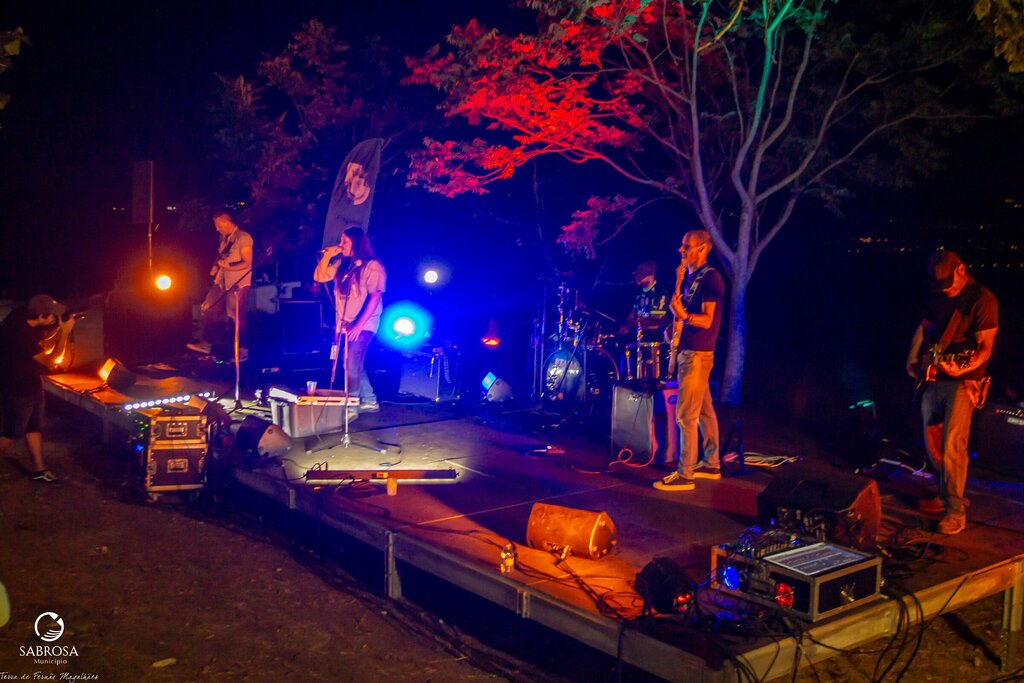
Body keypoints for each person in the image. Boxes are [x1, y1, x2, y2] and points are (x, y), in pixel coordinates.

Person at [905, 249, 998, 535]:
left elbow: (985, 348)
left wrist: (963, 368)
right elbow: (924, 327)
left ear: (961, 269)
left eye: (949, 283)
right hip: (933, 376)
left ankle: (955, 512)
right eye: (940, 285)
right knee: (932, 440)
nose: (946, 289)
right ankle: (949, 491)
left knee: (953, 444)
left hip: (963, 381)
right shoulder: (937, 293)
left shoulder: (982, 299)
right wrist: (912, 356)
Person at [654, 230, 725, 492]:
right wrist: (673, 329)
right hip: (691, 351)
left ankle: (685, 474)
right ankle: (712, 464)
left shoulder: (712, 278)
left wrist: (683, 316)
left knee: (686, 415)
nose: (681, 250)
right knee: (705, 412)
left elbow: (706, 320)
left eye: (687, 246)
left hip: (697, 354)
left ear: (703, 249)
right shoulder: (691, 278)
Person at [0, 294, 75, 483]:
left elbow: (44, 337)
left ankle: (39, 470)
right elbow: (50, 361)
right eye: (52, 316)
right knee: (12, 431)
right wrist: (64, 332)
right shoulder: (19, 334)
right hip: (17, 386)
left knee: (34, 426)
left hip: (31, 380)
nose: (55, 318)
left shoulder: (24, 314)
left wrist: (58, 324)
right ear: (41, 316)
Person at [313, 227, 386, 412]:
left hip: (364, 323)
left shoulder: (372, 266)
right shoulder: (343, 264)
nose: (341, 244)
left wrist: (359, 325)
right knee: (350, 363)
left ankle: (352, 404)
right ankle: (369, 400)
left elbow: (375, 297)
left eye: (344, 241)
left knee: (351, 362)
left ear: (356, 242)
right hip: (344, 323)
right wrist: (327, 256)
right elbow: (319, 277)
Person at [188, 211, 253, 359]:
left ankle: (243, 349)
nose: (217, 229)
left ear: (225, 222)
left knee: (234, 315)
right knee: (207, 308)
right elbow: (221, 255)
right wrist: (216, 266)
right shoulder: (224, 238)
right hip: (221, 281)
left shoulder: (243, 237)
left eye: (218, 225)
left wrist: (229, 266)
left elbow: (247, 263)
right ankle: (207, 343)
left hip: (237, 282)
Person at [625, 260, 669, 342]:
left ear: (651, 276)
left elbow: (656, 322)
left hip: (652, 337)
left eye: (641, 276)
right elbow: (633, 313)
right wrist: (625, 325)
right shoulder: (639, 292)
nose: (638, 279)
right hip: (639, 334)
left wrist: (637, 324)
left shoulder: (660, 292)